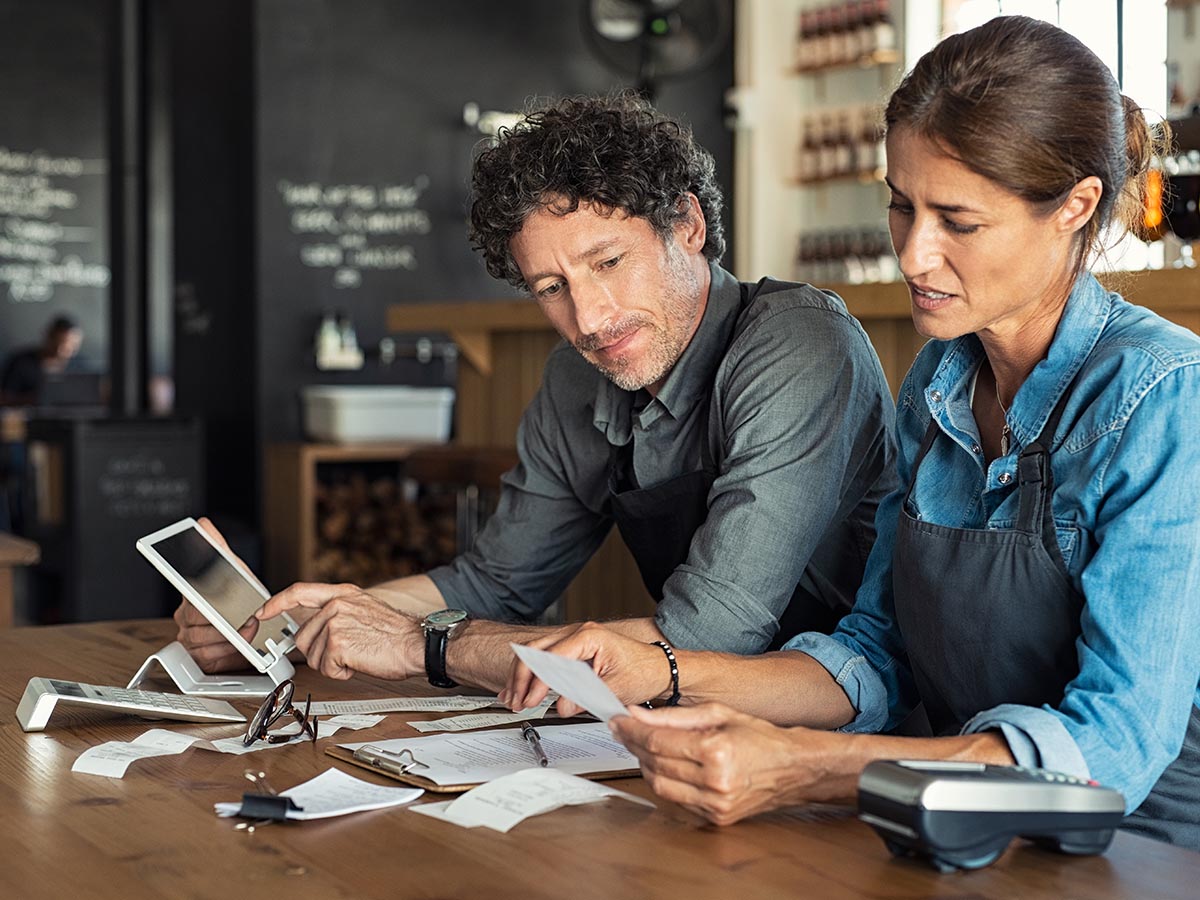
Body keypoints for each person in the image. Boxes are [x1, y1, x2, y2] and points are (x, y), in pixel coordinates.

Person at [508, 17, 1200, 849]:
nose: (913, 254)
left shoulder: (1165, 398)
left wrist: (806, 767)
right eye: (901, 207)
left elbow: (1114, 750)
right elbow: (875, 655)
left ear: (1075, 208)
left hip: (1143, 851)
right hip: (955, 830)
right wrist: (662, 672)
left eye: (958, 221)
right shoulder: (936, 390)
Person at [174, 93, 898, 693]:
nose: (589, 319)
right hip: (702, 731)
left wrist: (422, 647)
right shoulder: (577, 377)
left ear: (688, 226)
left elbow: (705, 637)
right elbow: (495, 581)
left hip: (855, 724)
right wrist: (290, 623)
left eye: (609, 262)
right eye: (552, 288)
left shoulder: (798, 345)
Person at [0, 315, 84, 404]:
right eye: (58, 343)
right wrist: (35, 399)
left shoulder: (81, 366)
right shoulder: (20, 362)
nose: (62, 350)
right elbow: (4, 397)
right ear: (49, 336)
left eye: (72, 345)